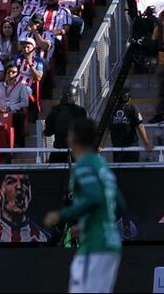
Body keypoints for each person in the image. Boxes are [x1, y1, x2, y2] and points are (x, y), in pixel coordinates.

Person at [43, 118, 125, 294]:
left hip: (94, 246)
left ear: (73, 138)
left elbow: (94, 198)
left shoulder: (84, 165)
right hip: (111, 244)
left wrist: (61, 215)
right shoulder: (102, 166)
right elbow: (120, 206)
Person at [44, 89, 88, 163]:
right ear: (72, 97)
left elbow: (48, 132)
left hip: (58, 149)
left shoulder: (55, 111)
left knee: (54, 171)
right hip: (75, 150)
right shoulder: (80, 111)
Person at [109, 89, 152, 162]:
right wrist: (146, 143)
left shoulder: (111, 110)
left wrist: (100, 145)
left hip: (117, 146)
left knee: (119, 172)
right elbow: (140, 126)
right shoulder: (132, 108)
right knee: (132, 171)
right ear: (129, 99)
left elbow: (106, 129)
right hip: (131, 146)